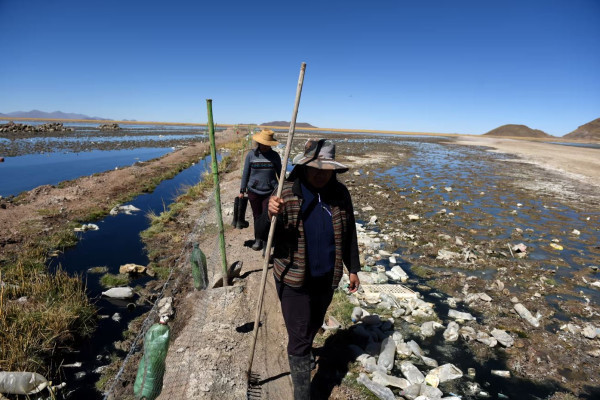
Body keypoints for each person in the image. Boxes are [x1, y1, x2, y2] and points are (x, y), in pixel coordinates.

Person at [255, 138, 360, 400]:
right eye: (315, 168)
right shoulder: (286, 193)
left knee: (313, 325)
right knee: (300, 337)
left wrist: (353, 268)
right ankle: (303, 394)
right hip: (293, 278)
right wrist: (269, 214)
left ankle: (305, 350)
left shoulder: (340, 194)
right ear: (303, 166)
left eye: (326, 169)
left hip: (327, 277)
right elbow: (260, 233)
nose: (320, 174)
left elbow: (349, 234)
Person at [239, 129, 282, 251]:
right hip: (253, 191)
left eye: (267, 144)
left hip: (270, 192)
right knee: (256, 216)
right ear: (259, 142)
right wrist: (242, 190)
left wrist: (284, 188)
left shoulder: (275, 156)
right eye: (263, 143)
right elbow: (245, 173)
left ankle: (266, 242)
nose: (265, 146)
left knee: (267, 217)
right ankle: (257, 239)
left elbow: (281, 173)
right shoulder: (251, 155)